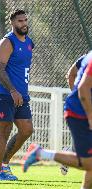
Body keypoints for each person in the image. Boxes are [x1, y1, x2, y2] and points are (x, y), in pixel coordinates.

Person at [23, 51, 92, 189]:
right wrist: (90, 116)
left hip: (80, 108)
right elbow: (83, 88)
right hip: (79, 112)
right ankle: (41, 153)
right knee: (88, 163)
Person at [0, 9, 34, 180]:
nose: (24, 23)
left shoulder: (29, 42)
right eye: (20, 21)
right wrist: (13, 90)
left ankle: (5, 164)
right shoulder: (8, 42)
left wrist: (20, 90)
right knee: (4, 131)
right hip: (3, 93)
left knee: (27, 129)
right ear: (13, 23)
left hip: (21, 95)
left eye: (25, 20)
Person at [60, 54, 86, 175]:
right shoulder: (87, 58)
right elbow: (71, 74)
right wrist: (75, 94)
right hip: (82, 105)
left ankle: (68, 152)